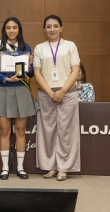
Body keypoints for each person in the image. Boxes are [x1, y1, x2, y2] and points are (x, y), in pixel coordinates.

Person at [0, 17, 36, 180]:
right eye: (8, 27)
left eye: (15, 27)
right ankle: (5, 168)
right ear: (4, 30)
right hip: (3, 90)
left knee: (21, 131)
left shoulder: (26, 47)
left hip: (21, 90)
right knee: (5, 131)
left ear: (19, 29)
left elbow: (31, 73)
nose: (12, 30)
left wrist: (29, 66)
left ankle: (20, 168)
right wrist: (6, 79)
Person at [34, 14, 81, 181]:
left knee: (66, 132)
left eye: (55, 26)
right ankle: (51, 166)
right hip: (46, 94)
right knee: (48, 131)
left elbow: (75, 70)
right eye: (48, 26)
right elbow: (37, 73)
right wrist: (50, 92)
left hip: (67, 93)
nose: (52, 29)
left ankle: (64, 168)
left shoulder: (70, 46)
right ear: (44, 29)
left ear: (61, 28)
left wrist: (62, 91)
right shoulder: (39, 48)